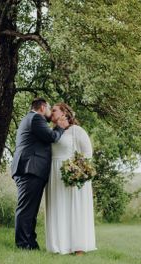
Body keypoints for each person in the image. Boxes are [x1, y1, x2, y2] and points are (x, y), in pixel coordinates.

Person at [11, 97, 66, 250]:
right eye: (49, 109)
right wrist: (60, 127)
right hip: (29, 169)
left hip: (31, 169)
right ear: (42, 107)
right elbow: (51, 137)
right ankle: (23, 244)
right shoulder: (36, 118)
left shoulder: (31, 119)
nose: (50, 113)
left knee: (31, 210)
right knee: (26, 209)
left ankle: (31, 243)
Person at [45, 103, 97, 255]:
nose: (51, 113)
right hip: (54, 174)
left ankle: (78, 246)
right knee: (58, 207)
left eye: (54, 110)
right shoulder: (51, 132)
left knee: (74, 208)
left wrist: (77, 171)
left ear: (64, 113)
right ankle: (59, 245)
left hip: (72, 174)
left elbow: (88, 153)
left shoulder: (77, 131)